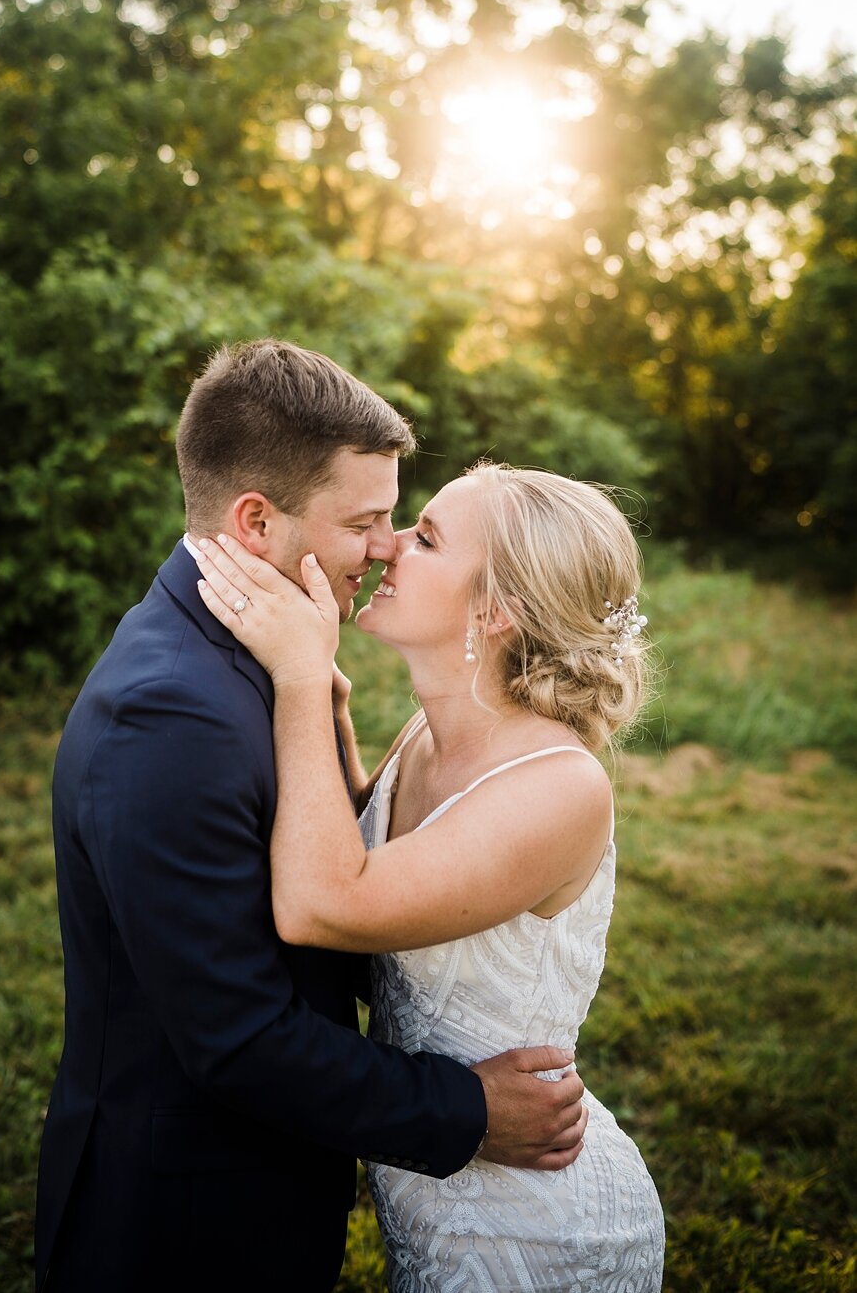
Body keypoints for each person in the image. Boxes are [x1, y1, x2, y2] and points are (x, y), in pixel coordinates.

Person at [35, 341, 588, 1292]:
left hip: (266, 1185)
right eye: (368, 520)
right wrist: (463, 1109)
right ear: (257, 521)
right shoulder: (169, 710)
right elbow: (236, 1037)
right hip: (179, 1224)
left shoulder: (260, 661)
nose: (384, 547)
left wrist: (322, 709)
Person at [191, 459, 666, 1291]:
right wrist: (334, 710)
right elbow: (357, 864)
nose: (388, 544)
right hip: (437, 1186)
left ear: (498, 607)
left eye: (428, 536)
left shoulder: (559, 788)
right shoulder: (426, 735)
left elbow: (322, 903)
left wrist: (302, 677)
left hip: (538, 1227)